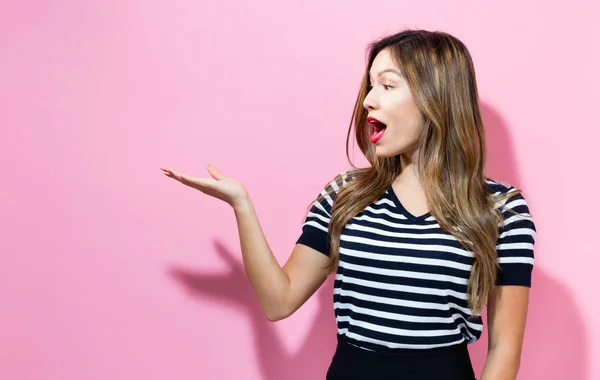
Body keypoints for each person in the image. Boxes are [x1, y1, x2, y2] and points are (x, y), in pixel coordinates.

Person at [160, 29, 536, 380]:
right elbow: (279, 301)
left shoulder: (502, 209)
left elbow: (505, 348)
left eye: (387, 85)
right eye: (371, 85)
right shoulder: (345, 194)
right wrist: (241, 205)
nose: (368, 99)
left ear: (437, 98)